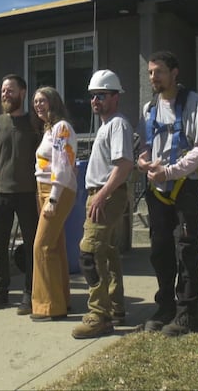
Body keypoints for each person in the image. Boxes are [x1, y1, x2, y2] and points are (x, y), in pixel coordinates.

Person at [137, 50, 198, 336]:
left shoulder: (195, 103)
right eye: (150, 73)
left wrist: (170, 171)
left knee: (187, 248)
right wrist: (144, 162)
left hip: (185, 187)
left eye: (159, 72)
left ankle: (187, 311)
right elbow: (144, 145)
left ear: (175, 72)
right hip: (157, 191)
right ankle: (165, 304)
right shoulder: (149, 108)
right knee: (160, 250)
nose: (154, 77)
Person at [71, 70, 134, 339]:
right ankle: (116, 307)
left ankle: (99, 315)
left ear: (115, 97)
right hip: (101, 193)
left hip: (106, 194)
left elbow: (124, 165)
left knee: (88, 253)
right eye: (92, 96)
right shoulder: (107, 126)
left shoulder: (117, 124)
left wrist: (101, 194)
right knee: (106, 252)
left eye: (101, 95)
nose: (95, 101)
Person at [0, 74, 40, 314]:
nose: (5, 94)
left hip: (29, 194)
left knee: (31, 246)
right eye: (3, 90)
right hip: (1, 194)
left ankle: (30, 293)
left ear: (22, 93)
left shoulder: (34, 122)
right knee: (0, 245)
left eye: (10, 90)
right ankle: (0, 293)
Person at [31, 86, 76, 321]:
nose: (38, 105)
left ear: (54, 102)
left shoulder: (61, 128)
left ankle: (48, 306)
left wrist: (53, 198)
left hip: (56, 190)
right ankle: (62, 300)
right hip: (45, 189)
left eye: (43, 100)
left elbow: (62, 166)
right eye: (36, 101)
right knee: (55, 246)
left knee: (42, 247)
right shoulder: (49, 130)